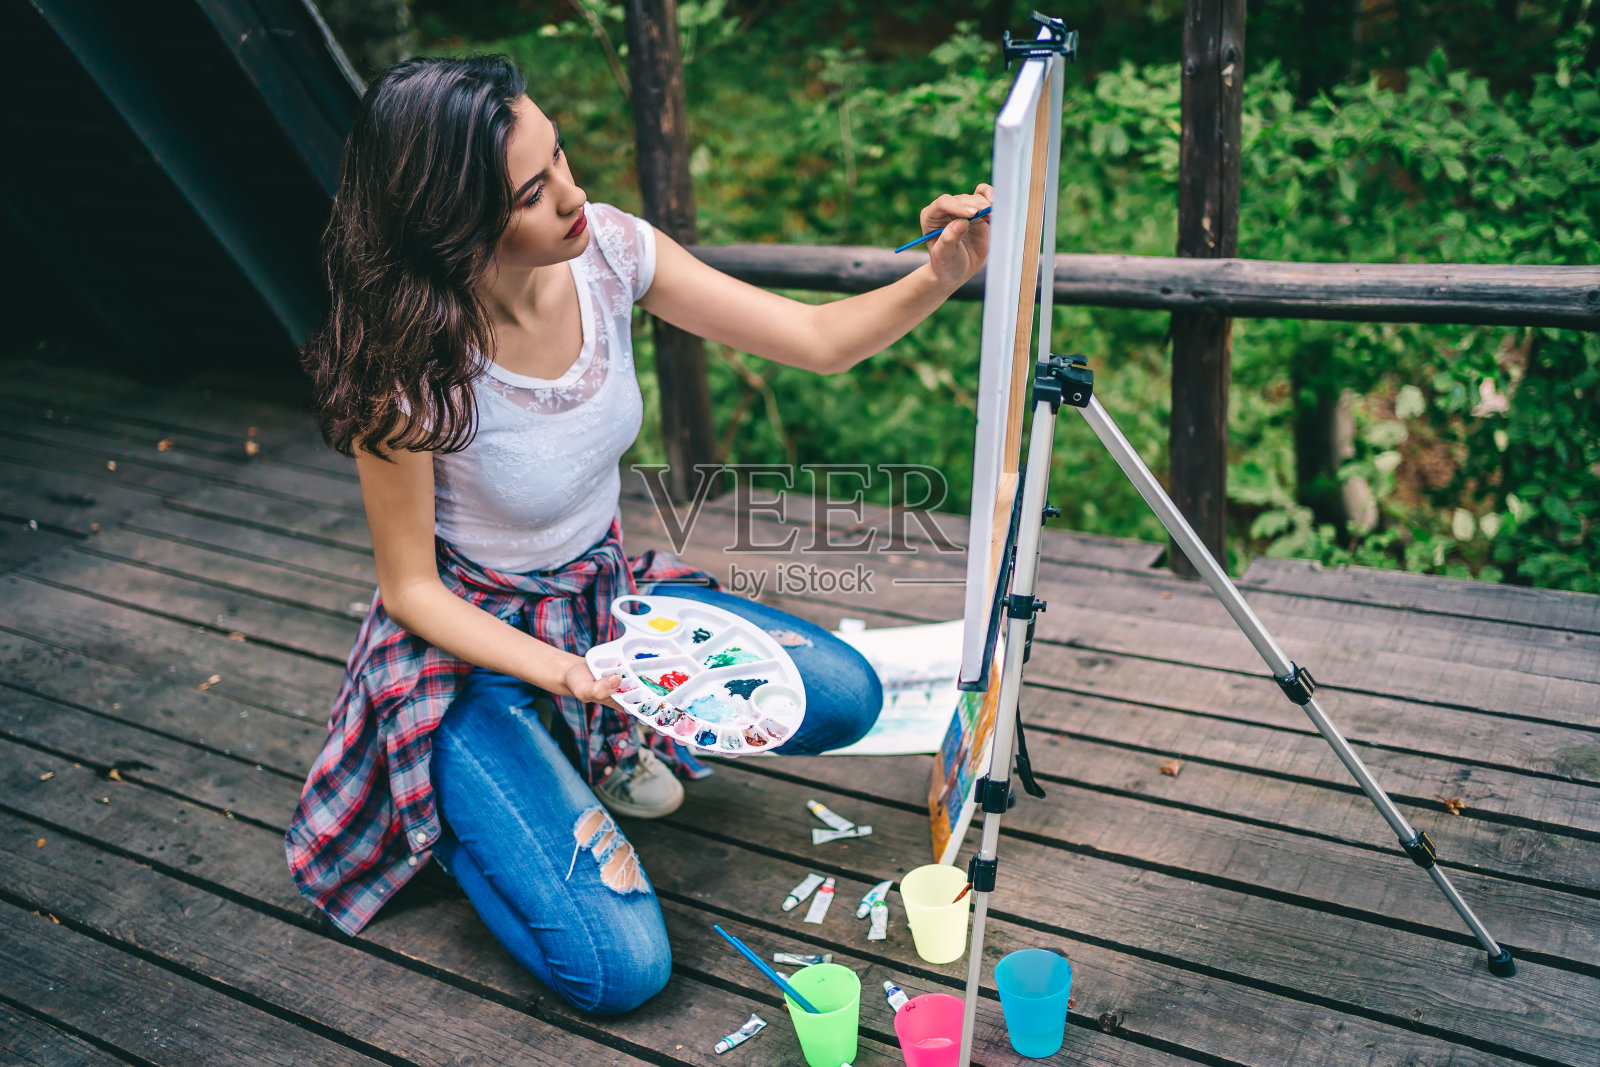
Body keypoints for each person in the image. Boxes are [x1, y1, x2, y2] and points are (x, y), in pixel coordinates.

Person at [284, 54, 992, 1015]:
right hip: (473, 654)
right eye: (534, 192)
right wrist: (566, 675)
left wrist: (943, 272)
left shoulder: (610, 250)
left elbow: (819, 342)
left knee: (844, 698)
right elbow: (412, 591)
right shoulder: (408, 365)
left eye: (562, 156)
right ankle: (458, 809)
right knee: (623, 971)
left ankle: (577, 752)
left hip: (604, 603)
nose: (574, 196)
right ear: (450, 223)